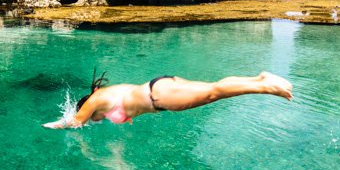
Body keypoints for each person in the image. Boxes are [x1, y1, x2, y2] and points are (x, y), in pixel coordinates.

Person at [43, 71, 293, 129]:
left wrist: (52, 125)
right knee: (212, 88)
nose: (97, 120)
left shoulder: (95, 103)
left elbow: (75, 122)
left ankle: (265, 87)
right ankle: (259, 79)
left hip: (159, 97)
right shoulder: (108, 94)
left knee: (214, 93)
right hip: (161, 83)